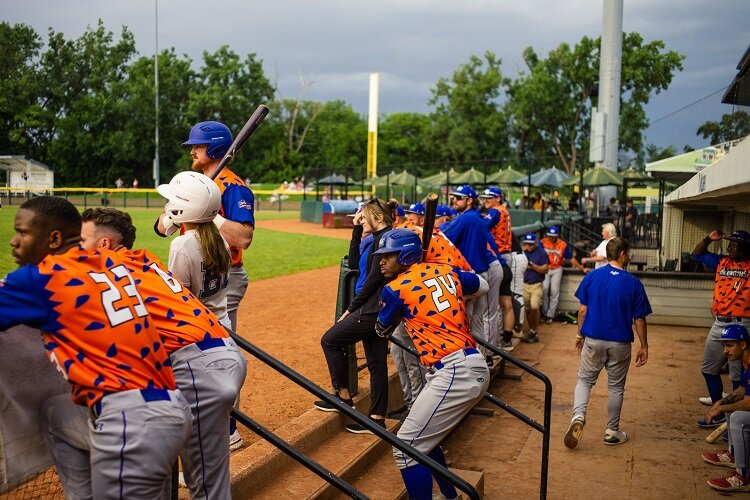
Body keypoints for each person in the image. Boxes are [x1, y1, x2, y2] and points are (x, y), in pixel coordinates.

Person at [2, 196, 191, 498]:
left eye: (23, 233)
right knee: (56, 412)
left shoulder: (41, 278)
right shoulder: (110, 265)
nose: (14, 242)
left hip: (131, 424)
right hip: (171, 409)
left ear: (53, 238)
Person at [80, 205, 247, 499]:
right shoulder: (145, 261)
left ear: (103, 244)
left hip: (198, 366)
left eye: (81, 240)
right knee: (207, 479)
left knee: (191, 482)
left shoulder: (107, 273)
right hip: (221, 348)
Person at [157, 120, 255, 449]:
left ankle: (228, 427)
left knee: (218, 347)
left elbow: (243, 237)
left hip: (223, 272)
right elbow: (161, 230)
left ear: (213, 149)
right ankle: (215, 422)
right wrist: (175, 213)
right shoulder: (195, 180)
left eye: (197, 147)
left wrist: (209, 210)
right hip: (192, 263)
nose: (193, 151)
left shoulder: (233, 186)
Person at [372, 228, 489, 500]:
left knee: (404, 449)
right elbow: (481, 286)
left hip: (454, 372)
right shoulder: (447, 271)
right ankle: (450, 497)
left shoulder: (395, 288)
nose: (381, 261)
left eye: (388, 256)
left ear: (405, 255)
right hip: (465, 365)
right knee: (424, 440)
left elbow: (380, 329)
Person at [315, 198, 398, 433]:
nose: (361, 217)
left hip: (371, 308)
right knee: (376, 363)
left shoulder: (386, 240)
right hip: (374, 308)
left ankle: (343, 397)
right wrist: (356, 229)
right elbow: (353, 263)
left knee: (330, 340)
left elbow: (373, 280)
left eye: (365, 214)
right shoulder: (375, 239)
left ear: (379, 217)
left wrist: (351, 309)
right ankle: (377, 417)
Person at [564, 237, 651, 449]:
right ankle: (612, 431)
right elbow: (639, 319)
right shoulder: (633, 282)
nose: (629, 256)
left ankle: (578, 416)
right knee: (616, 388)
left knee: (584, 381)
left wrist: (579, 336)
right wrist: (644, 345)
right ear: (622, 254)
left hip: (593, 339)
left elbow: (582, 310)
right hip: (620, 343)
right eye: (628, 253)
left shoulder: (592, 276)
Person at [157, 171, 232, 328]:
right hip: (223, 321)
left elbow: (180, 297)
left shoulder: (182, 245)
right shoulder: (220, 239)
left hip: (199, 326)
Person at [692, 230, 750, 427]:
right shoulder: (722, 262)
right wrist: (709, 239)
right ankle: (718, 413)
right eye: (729, 243)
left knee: (737, 376)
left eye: (734, 244)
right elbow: (697, 254)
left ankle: (733, 420)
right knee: (708, 369)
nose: (729, 246)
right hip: (719, 323)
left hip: (741, 322)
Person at [442, 184, 503, 368]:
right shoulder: (477, 217)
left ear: (469, 200)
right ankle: (484, 360)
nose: (454, 200)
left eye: (459, 198)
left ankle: (467, 365)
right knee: (478, 322)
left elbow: (443, 238)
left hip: (470, 276)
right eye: (454, 197)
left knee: (465, 321)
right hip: (482, 273)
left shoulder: (466, 219)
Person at [701, 324, 750, 492]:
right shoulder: (746, 361)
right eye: (724, 346)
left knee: (737, 417)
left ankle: (743, 477)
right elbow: (742, 390)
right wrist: (721, 403)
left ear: (742, 345)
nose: (725, 351)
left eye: (729, 346)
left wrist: (720, 410)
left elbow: (748, 404)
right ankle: (733, 455)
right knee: (729, 406)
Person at [480, 186, 516, 351]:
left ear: (498, 198)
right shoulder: (504, 210)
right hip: (506, 256)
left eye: (490, 197)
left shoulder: (495, 211)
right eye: (485, 197)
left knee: (491, 307)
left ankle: (491, 348)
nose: (486, 200)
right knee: (505, 301)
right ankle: (506, 338)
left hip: (498, 257)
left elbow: (482, 226)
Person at [540, 226, 587, 324]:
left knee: (554, 291)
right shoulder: (542, 242)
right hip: (546, 268)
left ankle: (550, 315)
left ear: (557, 236)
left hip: (557, 268)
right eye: (550, 236)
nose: (551, 238)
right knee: (544, 289)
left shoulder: (562, 244)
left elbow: (570, 258)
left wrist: (581, 268)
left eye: (553, 236)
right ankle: (544, 313)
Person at [520, 233, 549, 343]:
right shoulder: (523, 252)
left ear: (535, 243)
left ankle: (534, 329)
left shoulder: (541, 252)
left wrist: (534, 267)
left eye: (531, 244)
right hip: (524, 284)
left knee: (535, 307)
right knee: (527, 309)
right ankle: (532, 331)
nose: (529, 246)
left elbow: (546, 269)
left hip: (536, 284)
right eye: (527, 244)